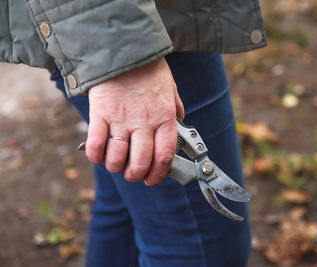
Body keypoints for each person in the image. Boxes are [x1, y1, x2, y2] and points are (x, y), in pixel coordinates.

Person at [1, 1, 267, 266]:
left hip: (139, 22)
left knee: (127, 201)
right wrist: (125, 58)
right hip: (129, 32)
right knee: (205, 250)